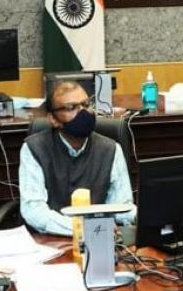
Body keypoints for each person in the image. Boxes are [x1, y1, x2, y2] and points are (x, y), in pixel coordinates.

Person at [19, 81, 134, 235]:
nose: (83, 112)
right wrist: (81, 228)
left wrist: (146, 216)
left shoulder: (111, 149)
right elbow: (33, 210)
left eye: (86, 105)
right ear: (53, 119)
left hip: (98, 241)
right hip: (50, 242)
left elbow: (122, 208)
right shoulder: (35, 149)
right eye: (71, 108)